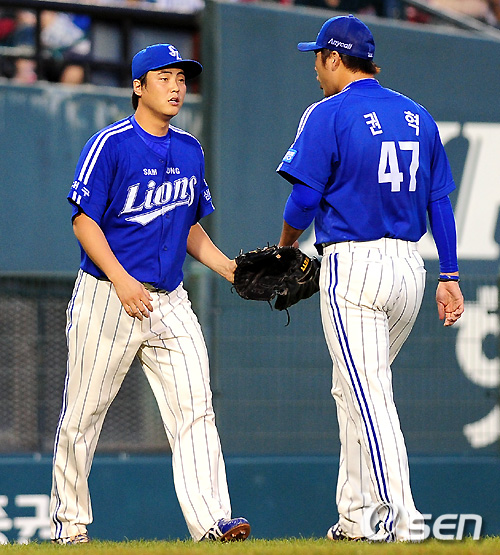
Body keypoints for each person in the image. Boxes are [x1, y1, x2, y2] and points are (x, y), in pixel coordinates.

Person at [49, 43, 251, 544]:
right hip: (107, 296)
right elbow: (83, 221)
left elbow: (188, 224)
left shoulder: (190, 149)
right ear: (138, 86)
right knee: (83, 415)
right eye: (164, 77)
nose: (177, 86)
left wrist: (228, 268)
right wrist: (121, 279)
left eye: (181, 78)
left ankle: (212, 522)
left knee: (195, 407)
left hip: (170, 299)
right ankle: (69, 527)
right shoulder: (110, 144)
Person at [275, 15, 464, 542]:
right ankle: (356, 520)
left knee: (370, 397)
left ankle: (404, 520)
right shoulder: (418, 115)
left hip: (354, 268)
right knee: (353, 390)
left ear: (335, 58)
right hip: (409, 271)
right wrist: (449, 274)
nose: (315, 68)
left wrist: (285, 248)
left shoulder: (328, 112)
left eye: (318, 57)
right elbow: (439, 203)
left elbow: (304, 200)